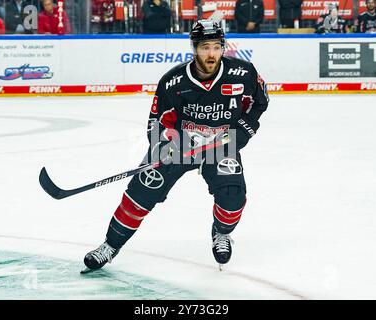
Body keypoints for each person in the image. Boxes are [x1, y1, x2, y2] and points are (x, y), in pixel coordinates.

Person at [82, 20, 269, 272]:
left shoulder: (244, 73)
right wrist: (164, 145)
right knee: (141, 191)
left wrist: (243, 130)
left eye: (216, 46)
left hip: (223, 143)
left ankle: (221, 233)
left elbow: (260, 101)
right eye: (205, 47)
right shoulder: (173, 81)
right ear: (194, 48)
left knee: (233, 197)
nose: (211, 54)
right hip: (180, 144)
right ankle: (110, 245)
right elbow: (155, 122)